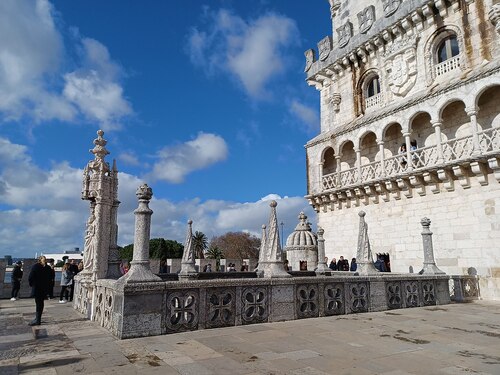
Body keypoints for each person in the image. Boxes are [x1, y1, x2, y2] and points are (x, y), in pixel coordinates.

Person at [28, 256, 52, 326]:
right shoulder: (48, 268)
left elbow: (30, 277)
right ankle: (38, 318)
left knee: (38, 303)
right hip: (44, 288)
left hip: (37, 288)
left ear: (39, 260)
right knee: (41, 303)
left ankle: (38, 320)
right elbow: (51, 278)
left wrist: (32, 285)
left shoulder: (36, 266)